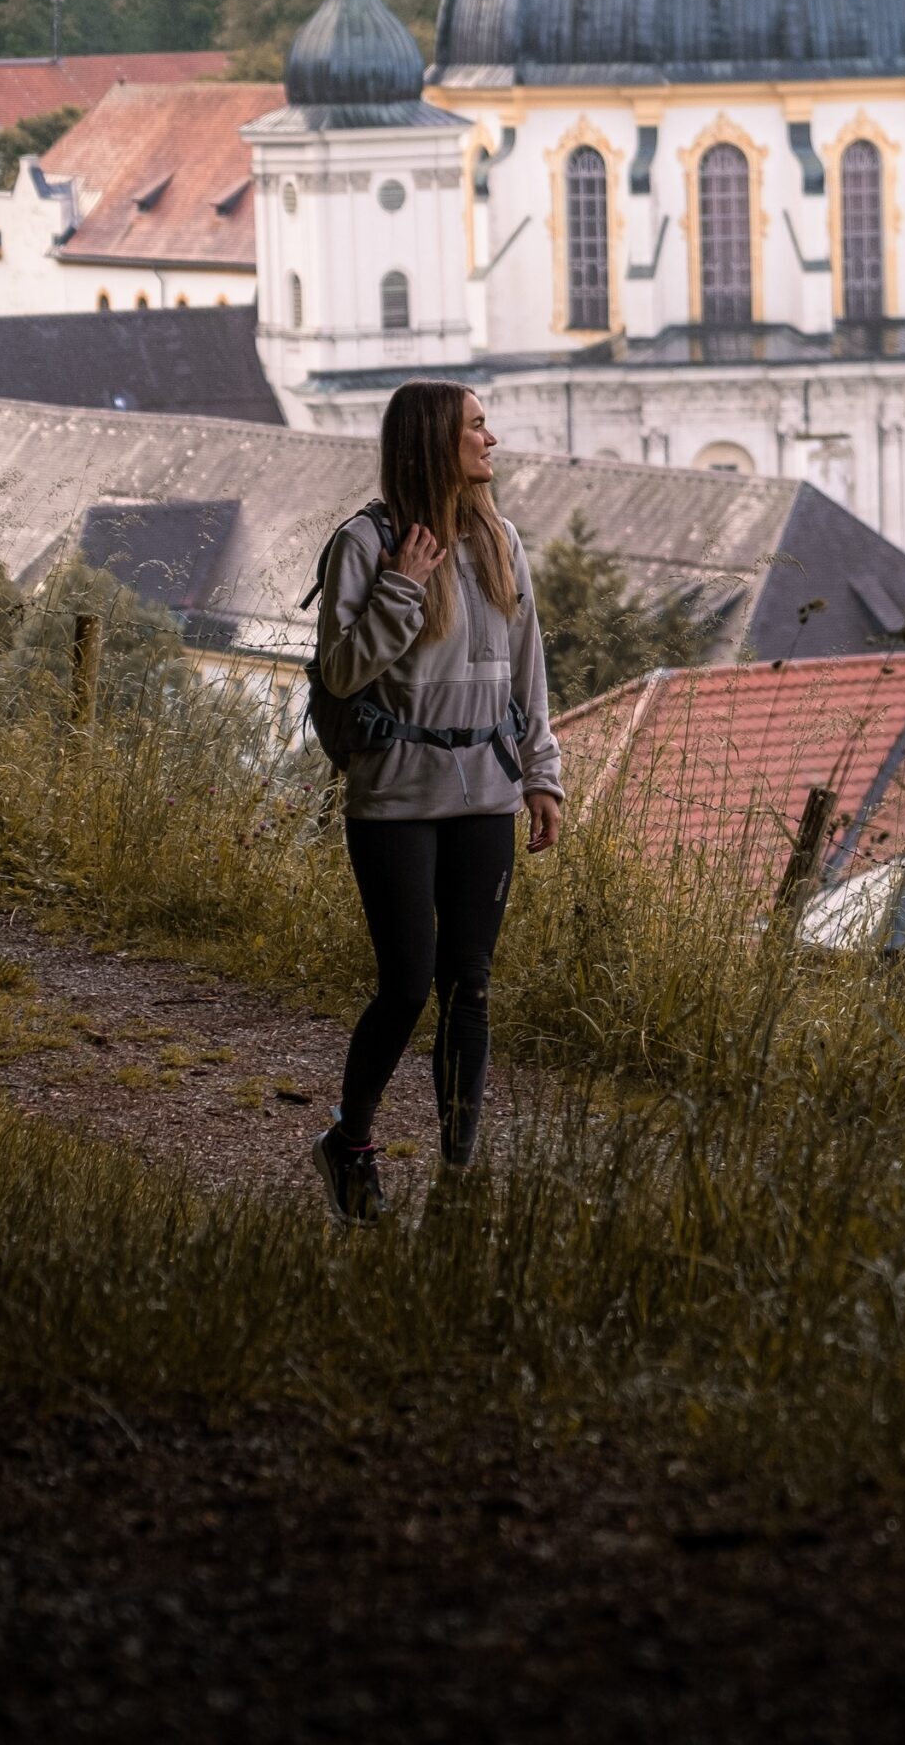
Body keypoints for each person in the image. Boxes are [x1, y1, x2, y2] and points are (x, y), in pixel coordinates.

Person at [310, 381, 562, 1223]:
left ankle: (460, 1172)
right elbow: (342, 673)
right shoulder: (363, 546)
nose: (490, 439)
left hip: (486, 793)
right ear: (431, 444)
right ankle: (350, 1144)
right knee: (408, 983)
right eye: (476, 427)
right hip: (393, 801)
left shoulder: (502, 542)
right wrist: (403, 587)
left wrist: (541, 775)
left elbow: (526, 675)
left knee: (472, 985)